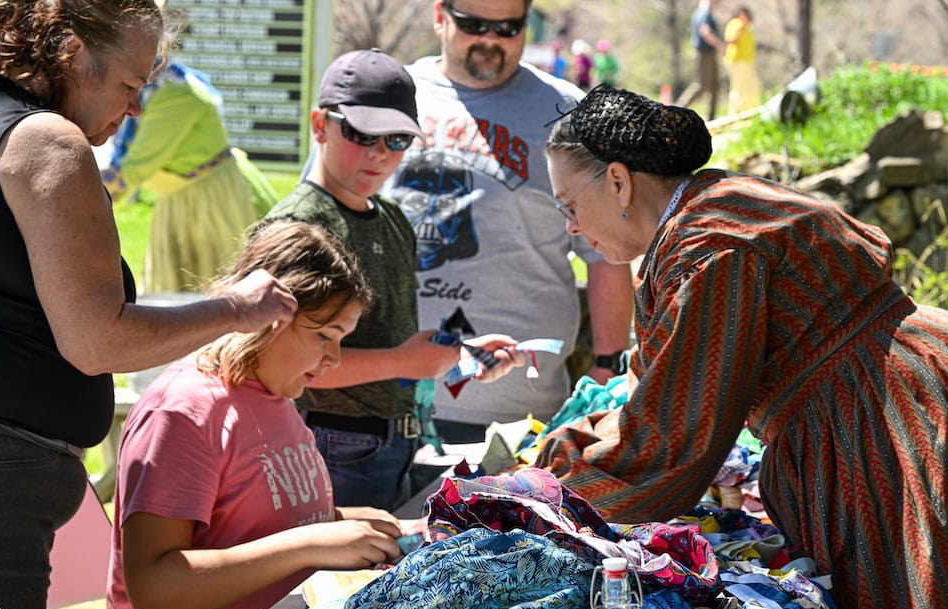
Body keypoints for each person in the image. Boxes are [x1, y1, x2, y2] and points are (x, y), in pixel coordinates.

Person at [537, 84, 948, 609]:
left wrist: (541, 494)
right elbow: (659, 385)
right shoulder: (708, 212)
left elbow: (673, 438)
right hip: (892, 385)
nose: (572, 228)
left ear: (617, 181)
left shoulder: (710, 246)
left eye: (568, 206)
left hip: (886, 417)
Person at [0, 2, 296, 609]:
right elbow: (98, 340)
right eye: (131, 86)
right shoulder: (48, 142)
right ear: (73, 54)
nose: (134, 110)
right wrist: (235, 309)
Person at [107, 219, 406, 609]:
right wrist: (310, 542)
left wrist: (346, 524)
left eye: (342, 339)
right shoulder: (184, 412)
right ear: (269, 318)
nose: (334, 359)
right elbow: (153, 587)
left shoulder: (272, 393)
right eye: (324, 335)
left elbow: (256, 522)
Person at [265, 48, 522, 511]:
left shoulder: (393, 219)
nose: (379, 153)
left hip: (400, 442)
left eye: (398, 139)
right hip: (328, 442)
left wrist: (460, 357)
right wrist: (406, 361)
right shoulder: (299, 228)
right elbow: (279, 367)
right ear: (319, 125)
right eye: (362, 134)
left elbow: (397, 348)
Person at [382, 0, 634, 446]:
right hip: (383, 407)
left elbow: (606, 253)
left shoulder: (567, 112)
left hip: (520, 413)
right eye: (474, 25)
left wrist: (608, 364)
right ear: (440, 16)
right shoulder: (391, 96)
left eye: (507, 27)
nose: (491, 40)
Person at [101, 26, 277, 293]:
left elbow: (132, 170)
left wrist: (79, 203)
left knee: (216, 292)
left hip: (210, 200)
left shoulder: (176, 94)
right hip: (180, 197)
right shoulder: (156, 89)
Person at [676, 0, 725, 121]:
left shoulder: (703, 12)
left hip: (710, 53)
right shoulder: (704, 12)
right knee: (702, 86)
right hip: (704, 53)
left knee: (714, 87)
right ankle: (676, 109)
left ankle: (711, 119)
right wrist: (721, 46)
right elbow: (705, 31)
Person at [723, 6, 762, 114]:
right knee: (739, 89)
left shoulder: (749, 27)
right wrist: (741, 28)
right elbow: (731, 41)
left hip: (747, 62)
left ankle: (751, 111)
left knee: (752, 87)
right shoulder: (735, 24)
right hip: (737, 61)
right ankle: (736, 113)